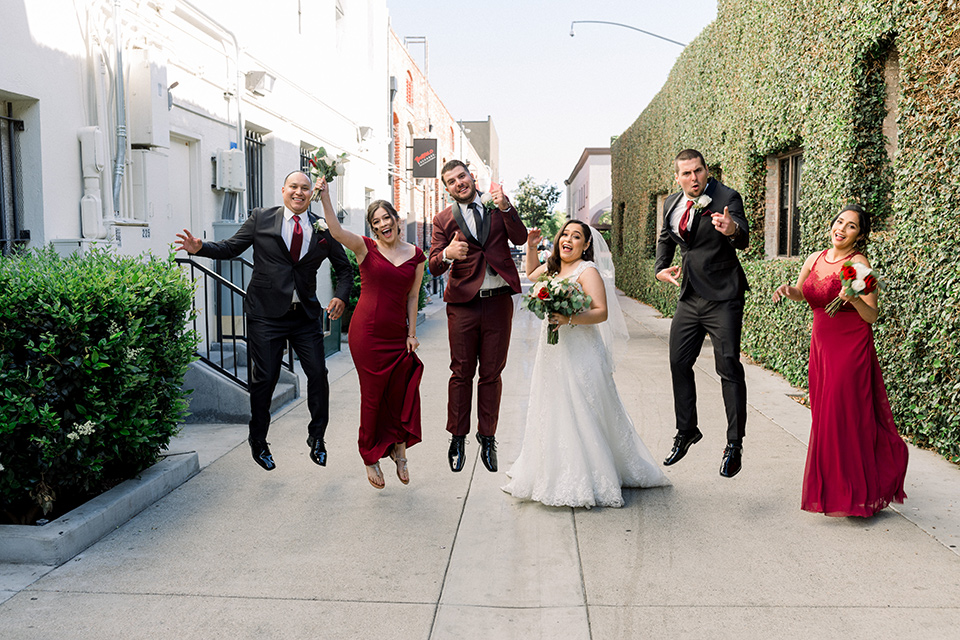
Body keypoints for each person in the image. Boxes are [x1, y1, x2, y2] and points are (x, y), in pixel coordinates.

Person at [175, 171, 352, 471]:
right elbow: (231, 248)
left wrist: (340, 297)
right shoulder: (261, 218)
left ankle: (317, 437)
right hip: (266, 316)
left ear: (312, 194)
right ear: (283, 190)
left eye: (305, 188)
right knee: (265, 379)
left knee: (319, 376)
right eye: (293, 187)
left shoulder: (323, 229)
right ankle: (258, 440)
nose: (299, 192)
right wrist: (200, 248)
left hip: (305, 316)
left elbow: (345, 270)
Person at [502, 220, 669, 508]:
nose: (568, 239)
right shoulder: (553, 268)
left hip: (580, 349)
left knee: (581, 406)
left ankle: (588, 475)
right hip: (553, 351)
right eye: (565, 234)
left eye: (576, 236)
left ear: (586, 245)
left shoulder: (587, 270)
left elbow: (601, 312)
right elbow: (530, 273)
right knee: (554, 406)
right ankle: (551, 470)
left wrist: (568, 318)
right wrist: (530, 247)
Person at [773, 204, 907, 516]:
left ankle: (854, 494)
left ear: (859, 236)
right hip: (821, 345)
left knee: (844, 415)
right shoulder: (814, 258)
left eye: (851, 226)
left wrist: (855, 297)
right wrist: (787, 290)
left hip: (850, 347)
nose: (841, 229)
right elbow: (806, 294)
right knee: (824, 416)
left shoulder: (857, 264)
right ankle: (836, 489)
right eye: (839, 222)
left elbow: (872, 315)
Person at [314, 176, 425, 490]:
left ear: (395, 220)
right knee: (374, 396)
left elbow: (413, 296)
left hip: (396, 334)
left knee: (402, 391)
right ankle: (369, 455)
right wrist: (325, 196)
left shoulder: (416, 255)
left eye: (386, 218)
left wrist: (412, 332)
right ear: (373, 228)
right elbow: (335, 231)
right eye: (376, 222)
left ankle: (399, 451)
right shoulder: (366, 248)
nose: (382, 225)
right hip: (367, 333)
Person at [655, 149, 750, 478]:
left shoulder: (727, 196)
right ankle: (687, 430)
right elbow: (666, 236)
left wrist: (730, 230)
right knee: (678, 362)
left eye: (698, 171)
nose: (693, 178)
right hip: (689, 296)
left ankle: (734, 444)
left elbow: (743, 236)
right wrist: (660, 268)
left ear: (706, 170)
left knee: (728, 368)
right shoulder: (671, 203)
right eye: (686, 173)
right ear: (678, 176)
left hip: (723, 296)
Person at [429, 160, 528, 473]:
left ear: (471, 177)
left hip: (498, 303)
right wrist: (447, 255)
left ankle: (488, 437)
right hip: (463, 305)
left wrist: (508, 206)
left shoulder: (496, 206)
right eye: (452, 181)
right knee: (461, 372)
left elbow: (521, 238)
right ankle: (458, 437)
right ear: (446, 189)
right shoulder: (443, 219)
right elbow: (432, 264)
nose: (459, 183)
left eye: (462, 176)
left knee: (491, 374)